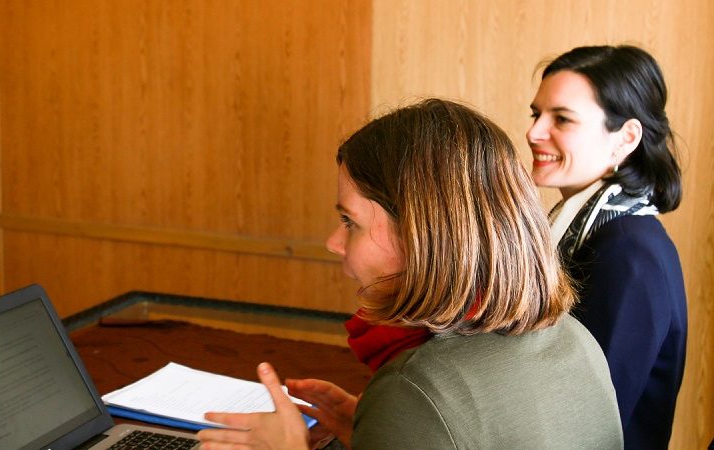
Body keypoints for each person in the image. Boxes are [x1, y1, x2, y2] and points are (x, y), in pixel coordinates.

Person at [197, 99, 622, 449]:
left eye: (350, 221)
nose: (333, 241)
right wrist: (375, 433)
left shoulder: (417, 390)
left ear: (421, 235)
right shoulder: (574, 337)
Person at [526, 45, 686, 448]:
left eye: (561, 118)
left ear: (626, 137)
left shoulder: (630, 252)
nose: (533, 132)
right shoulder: (594, 231)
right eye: (536, 114)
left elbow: (587, 421)